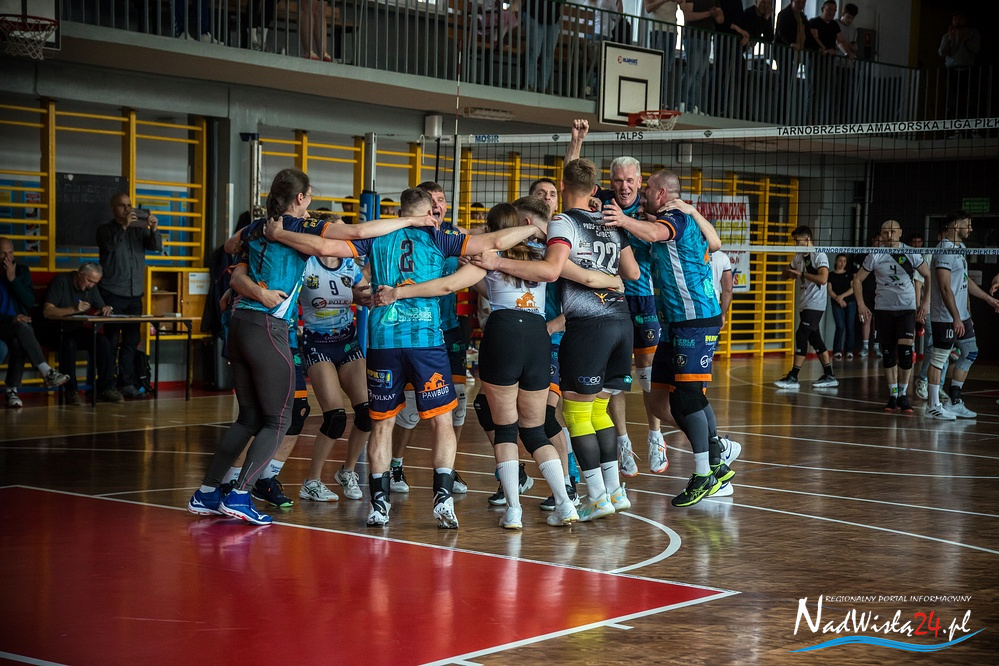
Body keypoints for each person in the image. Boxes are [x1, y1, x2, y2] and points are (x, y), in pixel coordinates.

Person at [275, 186, 544, 528]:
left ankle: (379, 505)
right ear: (430, 211)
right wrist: (536, 227)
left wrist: (280, 232)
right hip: (426, 343)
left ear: (402, 211)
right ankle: (443, 499)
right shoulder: (440, 236)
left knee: (382, 424)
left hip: (383, 342)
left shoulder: (376, 236)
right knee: (442, 422)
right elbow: (494, 241)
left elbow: (325, 247)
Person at [187, 168, 434, 526]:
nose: (310, 204)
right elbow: (358, 232)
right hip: (268, 327)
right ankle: (240, 494)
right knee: (280, 418)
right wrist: (409, 221)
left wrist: (248, 269)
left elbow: (229, 246)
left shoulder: (258, 226)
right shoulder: (298, 226)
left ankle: (208, 491)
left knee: (249, 417)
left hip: (239, 325)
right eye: (309, 198)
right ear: (300, 198)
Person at [378, 199, 618, 528]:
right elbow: (583, 276)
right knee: (535, 430)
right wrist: (612, 281)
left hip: (503, 334)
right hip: (536, 335)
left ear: (493, 231)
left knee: (505, 428)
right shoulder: (542, 256)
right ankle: (565, 503)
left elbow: (448, 285)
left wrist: (399, 292)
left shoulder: (489, 258)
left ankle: (514, 511)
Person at [472, 158, 641, 523]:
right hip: (620, 322)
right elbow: (633, 272)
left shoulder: (561, 226)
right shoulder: (609, 221)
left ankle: (590, 496)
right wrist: (606, 277)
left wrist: (496, 261)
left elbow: (552, 269)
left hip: (581, 328)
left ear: (562, 188)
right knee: (592, 412)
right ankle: (608, 491)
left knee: (566, 415)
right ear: (595, 189)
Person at [604, 170, 733, 508]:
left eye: (647, 188)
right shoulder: (668, 218)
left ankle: (705, 473)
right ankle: (718, 451)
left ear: (661, 193)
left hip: (695, 321)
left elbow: (655, 232)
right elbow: (707, 241)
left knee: (687, 397)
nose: (642, 193)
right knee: (660, 402)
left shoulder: (675, 217)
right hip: (673, 323)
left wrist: (622, 219)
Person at [389, 182, 472, 499]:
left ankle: (448, 469)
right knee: (411, 409)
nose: (438, 205)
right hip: (413, 331)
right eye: (432, 200)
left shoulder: (453, 239)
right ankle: (395, 464)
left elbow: (485, 249)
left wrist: (472, 265)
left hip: (448, 330)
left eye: (442, 200)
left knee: (458, 405)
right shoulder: (402, 239)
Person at [924, 211, 999, 420]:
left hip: (961, 315)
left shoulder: (961, 248)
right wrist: (956, 317)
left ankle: (954, 401)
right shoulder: (944, 251)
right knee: (939, 358)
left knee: (970, 352)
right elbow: (945, 287)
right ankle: (932, 406)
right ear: (956, 226)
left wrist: (987, 298)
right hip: (945, 316)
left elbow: (964, 280)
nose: (971, 228)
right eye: (968, 224)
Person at [851, 220, 931, 414]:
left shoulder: (911, 253)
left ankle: (903, 395)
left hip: (906, 309)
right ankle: (893, 395)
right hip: (884, 310)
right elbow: (857, 280)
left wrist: (925, 303)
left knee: (905, 353)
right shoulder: (875, 254)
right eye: (885, 232)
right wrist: (861, 304)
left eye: (893, 232)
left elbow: (928, 276)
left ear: (900, 232)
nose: (889, 235)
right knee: (888, 354)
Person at [96, 193, 162, 399]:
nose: (127, 209)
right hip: (112, 292)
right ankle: (107, 386)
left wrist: (154, 229)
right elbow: (109, 246)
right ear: (113, 208)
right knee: (110, 342)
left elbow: (155, 246)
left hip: (134, 294)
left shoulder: (138, 229)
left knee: (131, 341)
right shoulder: (104, 230)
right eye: (122, 206)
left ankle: (125, 383)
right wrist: (123, 226)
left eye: (129, 205)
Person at [1, 237, 70, 408]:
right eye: (3, 253)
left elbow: (29, 301)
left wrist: (13, 280)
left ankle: (12, 391)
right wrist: (11, 319)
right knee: (20, 328)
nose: (7, 258)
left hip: (17, 327)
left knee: (18, 341)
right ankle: (46, 372)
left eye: (10, 253)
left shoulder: (22, 271)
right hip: (3, 323)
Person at [41, 262, 117, 405]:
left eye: (95, 283)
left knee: (103, 342)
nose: (91, 285)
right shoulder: (61, 281)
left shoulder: (91, 287)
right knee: (69, 343)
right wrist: (74, 309)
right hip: (54, 330)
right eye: (89, 281)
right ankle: (71, 391)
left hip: (75, 329)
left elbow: (101, 306)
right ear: (80, 274)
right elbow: (47, 311)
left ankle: (106, 388)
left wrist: (106, 308)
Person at [773, 226, 838, 390]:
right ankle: (829, 375)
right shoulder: (798, 257)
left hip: (816, 304)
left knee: (801, 334)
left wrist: (801, 274)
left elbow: (823, 279)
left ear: (807, 239)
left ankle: (793, 376)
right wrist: (789, 272)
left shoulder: (819, 255)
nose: (795, 244)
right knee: (815, 339)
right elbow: (784, 275)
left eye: (798, 241)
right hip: (805, 303)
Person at [679, 1, 724, 114]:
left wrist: (717, 13)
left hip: (707, 38)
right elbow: (688, 16)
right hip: (693, 36)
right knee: (691, 70)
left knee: (700, 74)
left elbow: (720, 20)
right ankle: (682, 102)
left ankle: (693, 105)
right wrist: (709, 13)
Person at [938, 12, 981, 121]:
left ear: (965, 20)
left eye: (959, 18)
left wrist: (965, 39)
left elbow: (976, 49)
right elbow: (941, 53)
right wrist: (949, 40)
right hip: (952, 69)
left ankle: (970, 121)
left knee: (969, 96)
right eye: (955, 19)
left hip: (968, 69)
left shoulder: (972, 33)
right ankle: (954, 120)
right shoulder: (947, 36)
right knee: (952, 96)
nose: (957, 21)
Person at [522, 0, 564, 93]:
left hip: (552, 17)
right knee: (534, 51)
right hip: (534, 12)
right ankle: (529, 83)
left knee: (548, 54)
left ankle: (542, 85)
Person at [645, 0, 680, 108]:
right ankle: (653, 99)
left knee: (667, 68)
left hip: (672, 30)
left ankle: (662, 100)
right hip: (658, 29)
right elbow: (648, 8)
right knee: (657, 66)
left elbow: (684, 6)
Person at [827, 253, 855, 361]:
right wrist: (838, 299)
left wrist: (842, 297)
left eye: (844, 261)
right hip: (836, 303)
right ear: (836, 261)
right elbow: (829, 290)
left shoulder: (849, 274)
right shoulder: (831, 275)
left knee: (850, 326)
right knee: (840, 326)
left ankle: (849, 350)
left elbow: (853, 288)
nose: (842, 263)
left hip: (850, 302)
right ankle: (837, 350)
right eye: (840, 261)